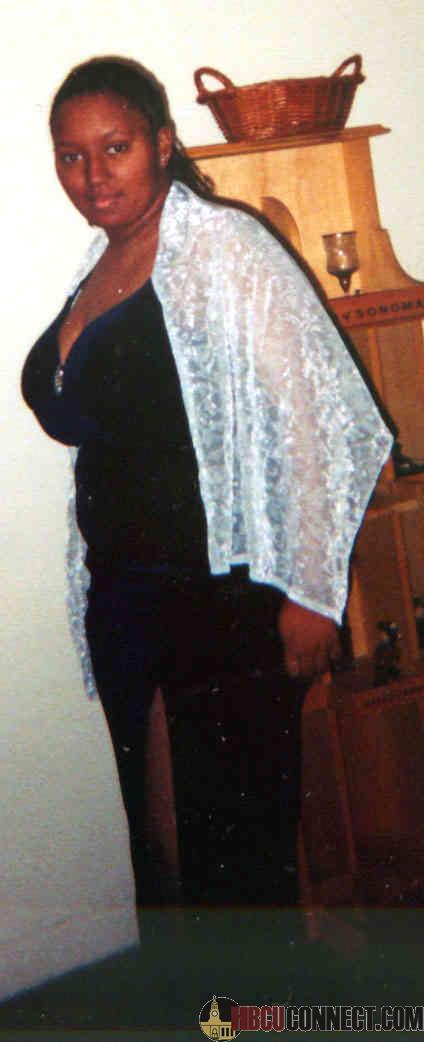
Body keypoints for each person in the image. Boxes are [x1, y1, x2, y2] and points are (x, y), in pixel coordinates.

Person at [21, 56, 392, 910]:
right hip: (125, 600)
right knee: (160, 847)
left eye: (114, 147)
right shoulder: (96, 266)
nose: (92, 174)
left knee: (232, 849)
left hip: (221, 602)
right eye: (72, 156)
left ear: (162, 143)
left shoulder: (223, 248)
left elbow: (313, 416)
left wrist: (312, 592)